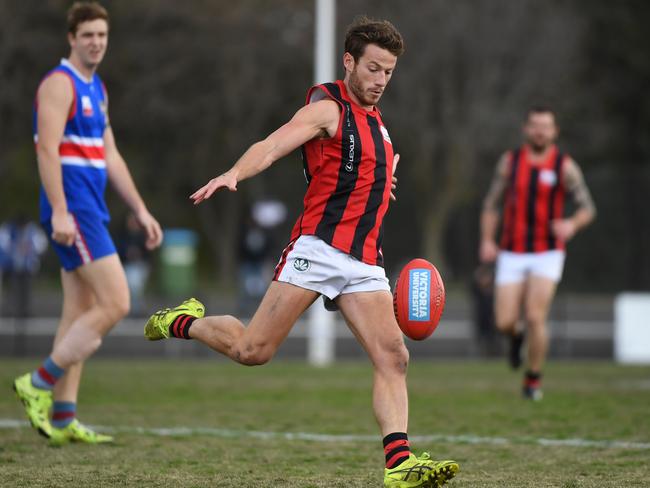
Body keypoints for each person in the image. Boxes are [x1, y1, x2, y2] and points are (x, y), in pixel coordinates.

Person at [145, 17, 458, 488]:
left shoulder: (379, 125)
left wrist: (380, 182)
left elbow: (364, 177)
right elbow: (272, 145)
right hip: (319, 248)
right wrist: (235, 172)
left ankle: (399, 464)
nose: (379, 81)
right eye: (372, 68)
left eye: (388, 72)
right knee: (253, 350)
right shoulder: (327, 110)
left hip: (364, 260)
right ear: (349, 61)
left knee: (393, 356)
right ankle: (182, 320)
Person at [13, 1, 162, 446]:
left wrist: (139, 208)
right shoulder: (60, 84)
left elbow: (110, 154)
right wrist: (59, 210)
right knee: (116, 301)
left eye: (102, 35)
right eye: (88, 35)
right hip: (73, 210)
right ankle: (37, 383)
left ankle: (62, 417)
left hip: (91, 208)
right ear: (72, 38)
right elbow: (46, 149)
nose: (96, 42)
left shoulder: (96, 88)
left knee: (79, 312)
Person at [479, 106, 596, 400]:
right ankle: (515, 338)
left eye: (546, 126)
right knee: (504, 321)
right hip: (512, 250)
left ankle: (532, 379)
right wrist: (487, 240)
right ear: (526, 129)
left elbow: (587, 208)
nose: (540, 131)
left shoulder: (564, 167)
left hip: (547, 252)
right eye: (535, 125)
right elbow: (492, 204)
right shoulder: (510, 163)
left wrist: (571, 224)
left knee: (534, 315)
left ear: (554, 131)